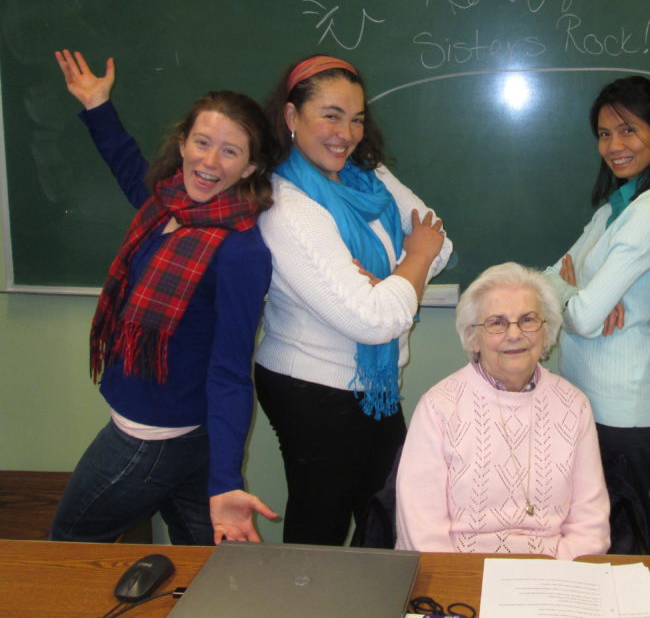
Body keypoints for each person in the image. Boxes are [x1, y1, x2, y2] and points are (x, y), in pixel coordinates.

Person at [50, 50, 278, 545]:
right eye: (202, 142)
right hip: (190, 435)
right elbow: (129, 168)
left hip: (148, 436)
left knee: (66, 547)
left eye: (230, 151)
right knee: (206, 566)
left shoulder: (240, 251)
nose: (209, 161)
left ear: (251, 167)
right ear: (182, 144)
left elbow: (231, 371)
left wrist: (227, 483)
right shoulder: (166, 202)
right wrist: (97, 106)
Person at [255, 54, 452, 546]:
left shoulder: (371, 177)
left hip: (372, 386)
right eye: (331, 115)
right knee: (318, 534)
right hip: (312, 387)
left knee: (387, 517)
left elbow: (441, 246)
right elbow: (373, 321)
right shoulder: (286, 206)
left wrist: (386, 282)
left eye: (357, 118)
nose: (347, 132)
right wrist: (408, 266)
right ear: (290, 117)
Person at [543, 76, 650, 554]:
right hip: (587, 400)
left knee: (620, 545)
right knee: (586, 536)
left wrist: (574, 293)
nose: (613, 145)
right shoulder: (612, 209)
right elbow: (546, 280)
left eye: (627, 130)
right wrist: (576, 290)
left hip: (622, 409)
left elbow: (580, 318)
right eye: (604, 134)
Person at [395, 262, 610, 559]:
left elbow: (590, 525)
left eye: (528, 320)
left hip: (551, 576)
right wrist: (460, 586)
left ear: (546, 331)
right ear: (473, 337)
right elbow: (421, 532)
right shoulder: (439, 407)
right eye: (496, 322)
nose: (514, 334)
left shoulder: (574, 405)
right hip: (461, 574)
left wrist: (557, 578)